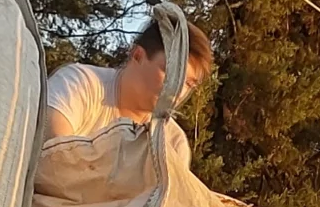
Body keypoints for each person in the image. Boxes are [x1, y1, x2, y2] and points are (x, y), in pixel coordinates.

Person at [41, 17, 213, 143]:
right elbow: (54, 154)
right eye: (171, 74)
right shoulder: (81, 85)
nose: (178, 90)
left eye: (189, 83)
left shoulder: (172, 143)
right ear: (137, 56)